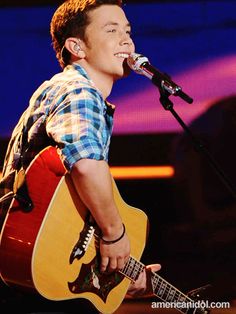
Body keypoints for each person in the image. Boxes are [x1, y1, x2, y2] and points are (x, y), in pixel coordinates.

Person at [0, 0, 160, 312]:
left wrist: (121, 270)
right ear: (77, 46)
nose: (127, 41)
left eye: (128, 31)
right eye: (111, 30)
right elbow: (86, 165)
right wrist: (114, 234)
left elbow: (68, 205)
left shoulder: (64, 89)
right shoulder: (79, 91)